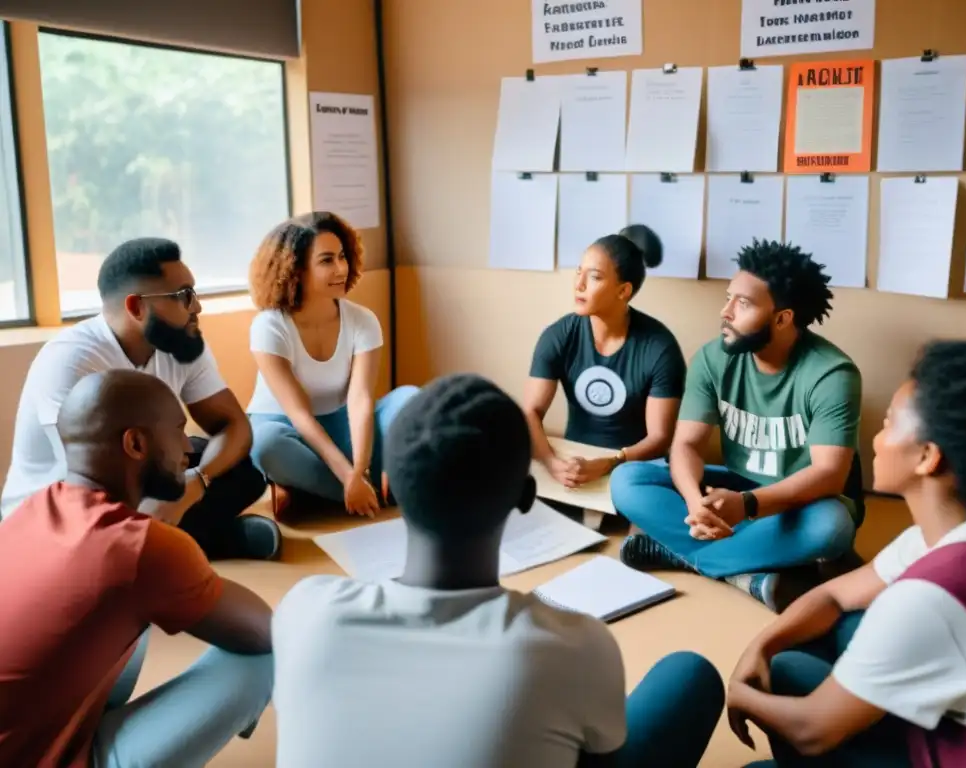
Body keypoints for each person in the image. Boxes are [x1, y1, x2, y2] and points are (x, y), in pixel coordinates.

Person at [272, 374, 724, 767]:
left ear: (395, 487)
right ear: (525, 498)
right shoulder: (575, 646)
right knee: (689, 675)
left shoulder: (304, 611)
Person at [728, 340, 966, 768]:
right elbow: (834, 595)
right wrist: (761, 645)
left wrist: (738, 693)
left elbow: (811, 732)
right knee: (802, 654)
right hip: (959, 726)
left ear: (927, 457)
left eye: (888, 424)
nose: (877, 438)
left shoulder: (929, 598)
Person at [0, 370, 275, 767]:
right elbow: (266, 631)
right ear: (135, 443)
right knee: (262, 659)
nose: (187, 446)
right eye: (179, 430)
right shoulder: (138, 547)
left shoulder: (35, 506)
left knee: (128, 610)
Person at [611, 240, 863, 612]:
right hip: (734, 490)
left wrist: (746, 506)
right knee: (627, 480)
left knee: (833, 526)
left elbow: (829, 475)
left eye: (742, 303)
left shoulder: (831, 374)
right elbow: (686, 446)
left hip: (798, 503)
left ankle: (685, 555)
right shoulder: (713, 358)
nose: (724, 311)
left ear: (782, 318)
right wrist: (697, 505)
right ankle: (748, 573)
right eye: (729, 298)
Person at [0, 238, 279, 560]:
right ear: (136, 307)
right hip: (59, 510)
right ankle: (204, 541)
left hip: (135, 473)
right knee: (104, 528)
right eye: (183, 296)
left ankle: (178, 540)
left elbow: (233, 425)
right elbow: (88, 482)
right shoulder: (71, 360)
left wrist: (194, 484)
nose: (196, 307)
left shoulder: (181, 343)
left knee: (244, 469)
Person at [246, 212, 417, 518]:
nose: (341, 268)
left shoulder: (362, 320)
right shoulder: (269, 326)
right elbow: (298, 413)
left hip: (343, 425)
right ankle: (367, 493)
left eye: (342, 256)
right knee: (264, 444)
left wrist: (360, 469)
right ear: (295, 269)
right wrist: (348, 475)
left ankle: (328, 493)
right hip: (289, 430)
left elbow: (360, 398)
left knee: (412, 399)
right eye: (326, 260)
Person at [525, 225, 685, 510]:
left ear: (624, 290)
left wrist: (612, 462)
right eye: (579, 272)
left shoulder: (660, 347)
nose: (579, 284)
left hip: (633, 470)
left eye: (595, 277)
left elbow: (660, 438)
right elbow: (531, 412)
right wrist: (552, 462)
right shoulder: (559, 335)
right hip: (571, 465)